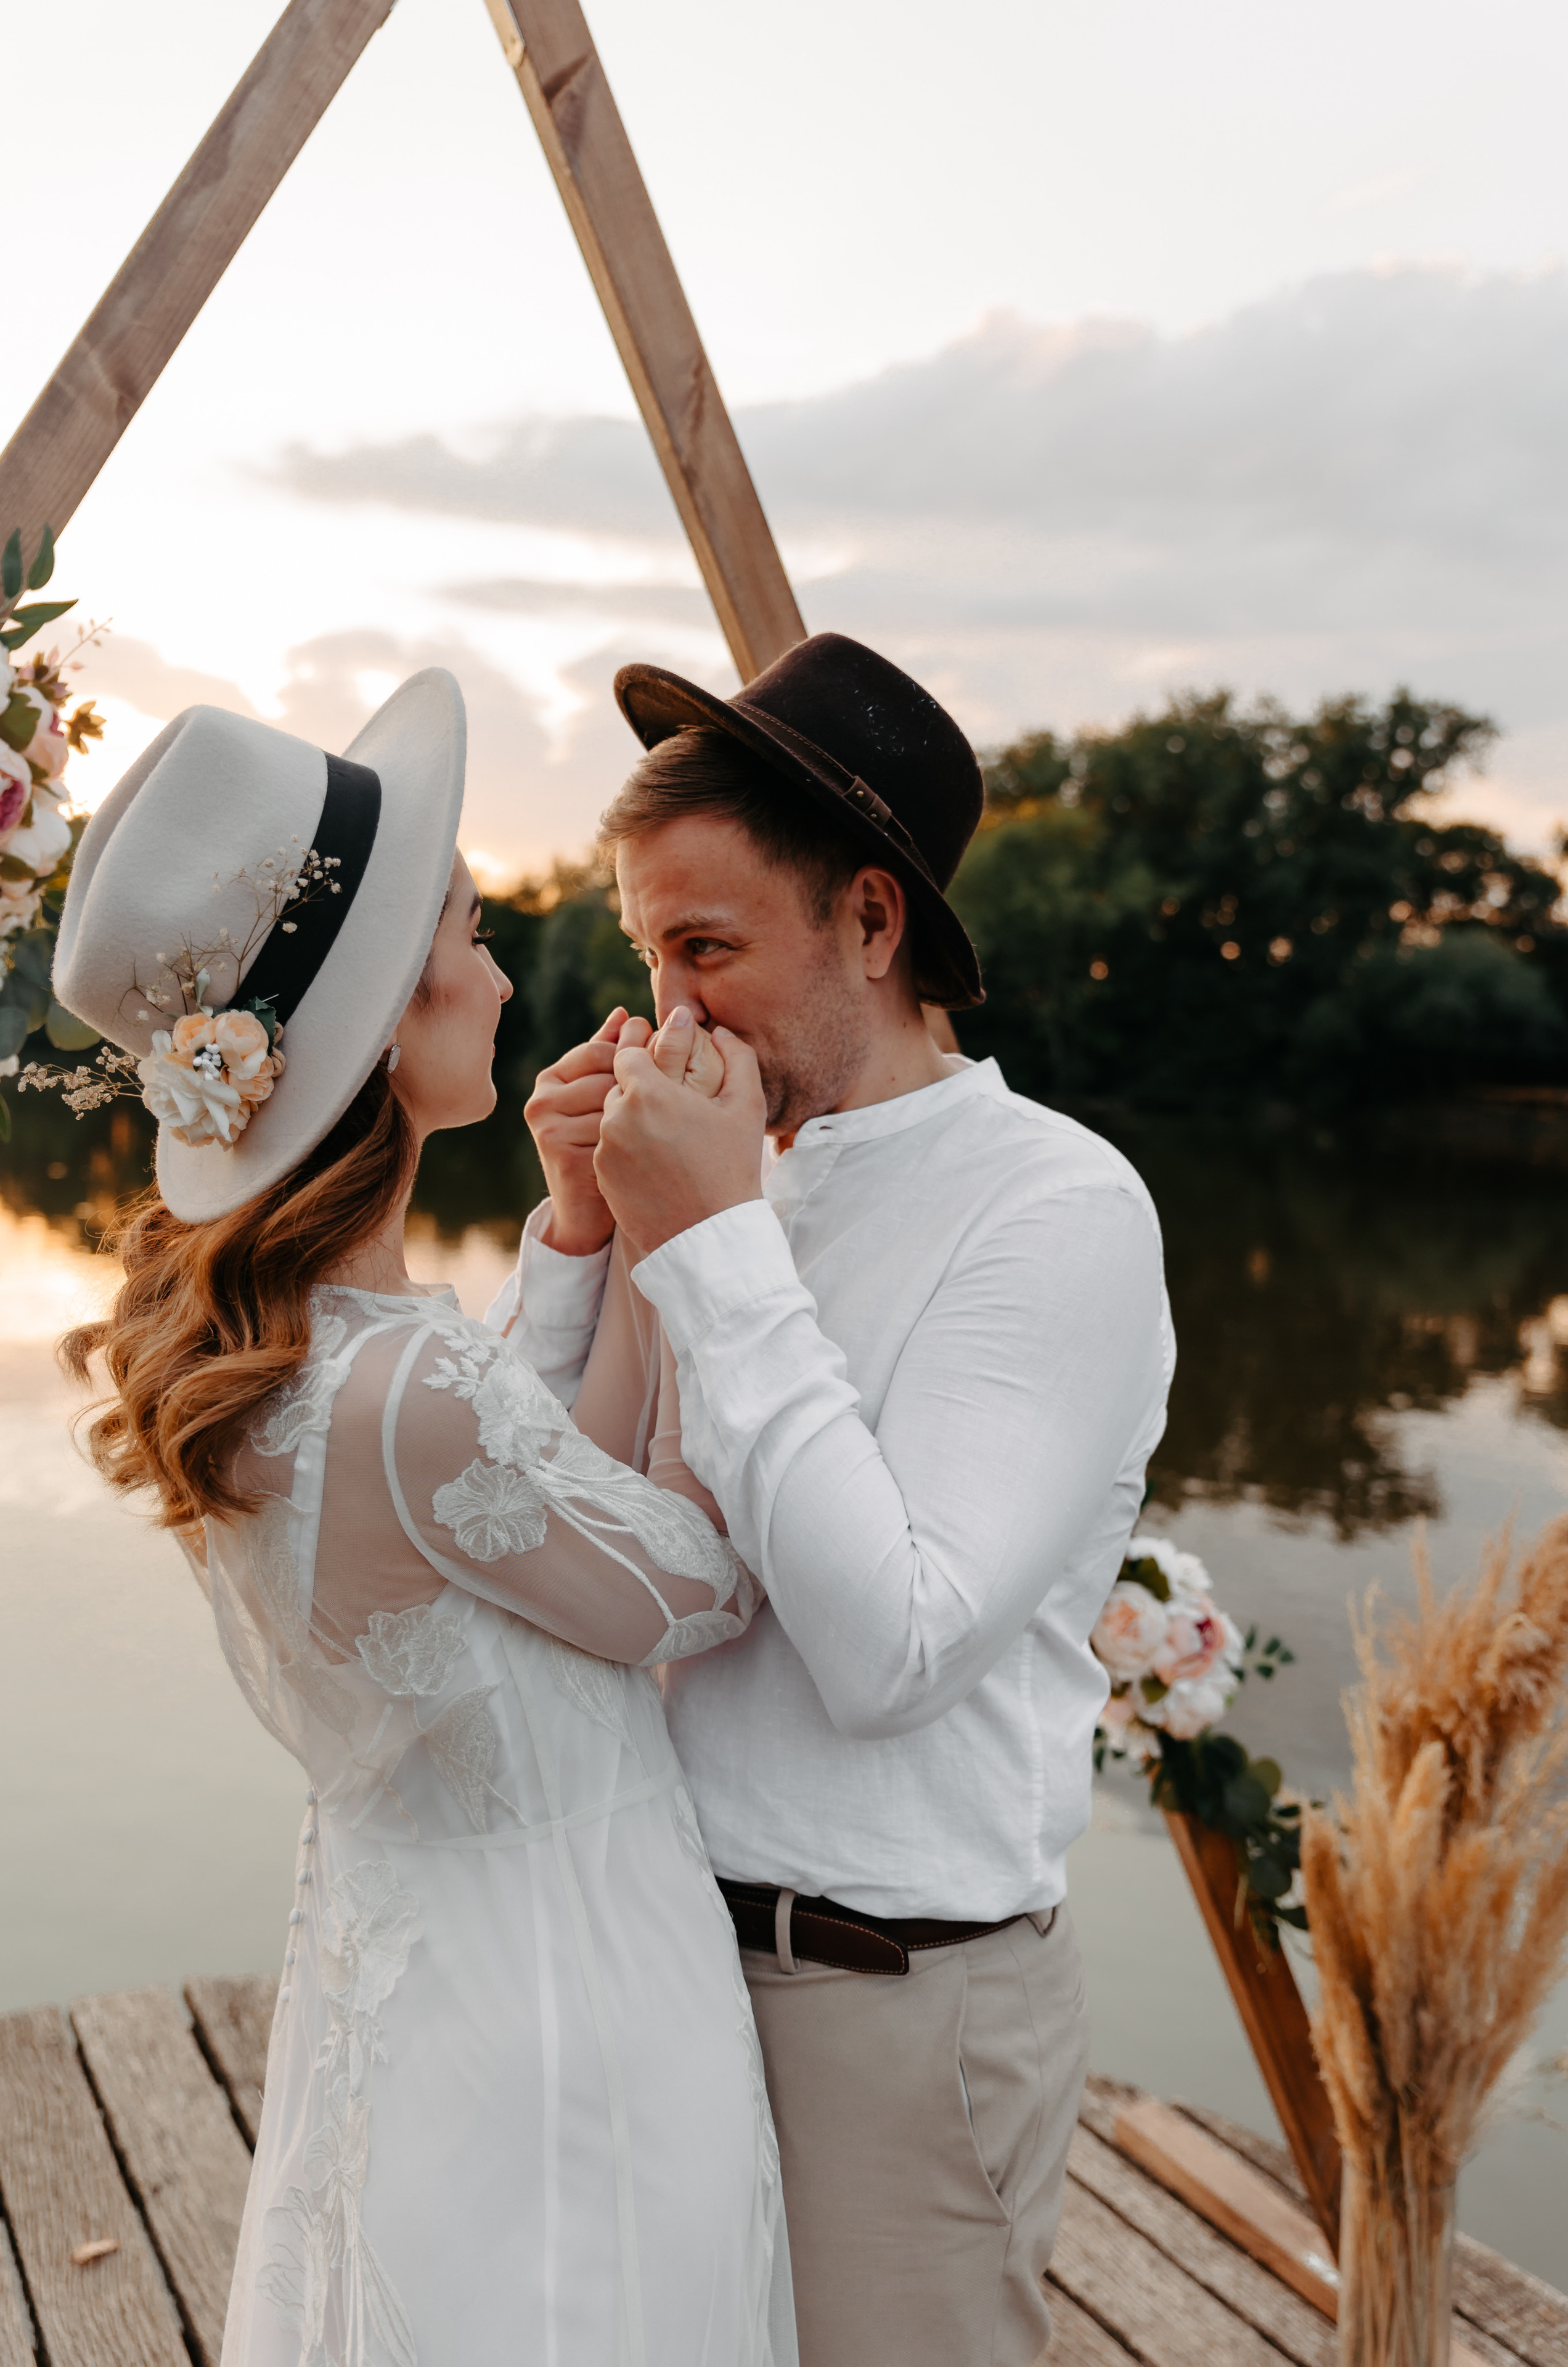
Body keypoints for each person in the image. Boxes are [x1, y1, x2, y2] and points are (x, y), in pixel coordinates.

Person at [49, 675, 796, 2367]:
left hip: (423, 1984)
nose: (506, 965)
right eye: (465, 924)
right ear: (387, 1013)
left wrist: (589, 1229)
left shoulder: (307, 1361)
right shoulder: (403, 1392)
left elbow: (553, 1533)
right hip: (560, 2012)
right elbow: (691, 1585)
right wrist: (701, 1234)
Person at [489, 632, 1176, 2367]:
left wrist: (712, 1242)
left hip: (895, 2002)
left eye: (708, 949)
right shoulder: (727, 1171)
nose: (667, 1015)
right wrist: (583, 1229)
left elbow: (894, 1652)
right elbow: (531, 1531)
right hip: (660, 1960)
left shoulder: (1056, 1210)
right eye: (652, 954)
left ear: (872, 924)